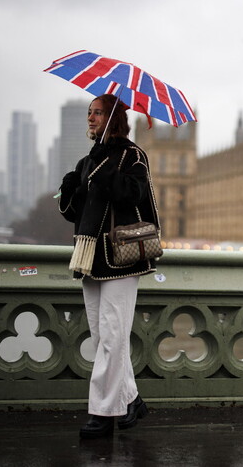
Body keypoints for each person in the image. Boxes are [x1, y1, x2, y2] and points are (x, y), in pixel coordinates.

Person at [58, 93, 160, 439]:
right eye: (89, 113)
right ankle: (131, 399)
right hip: (89, 257)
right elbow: (76, 214)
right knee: (104, 337)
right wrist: (71, 189)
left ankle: (103, 413)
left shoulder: (133, 155)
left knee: (113, 335)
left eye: (97, 113)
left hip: (120, 257)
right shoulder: (89, 160)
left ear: (113, 118)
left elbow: (136, 195)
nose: (90, 118)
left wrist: (105, 176)